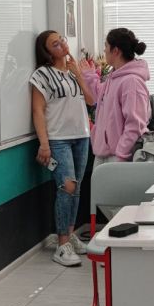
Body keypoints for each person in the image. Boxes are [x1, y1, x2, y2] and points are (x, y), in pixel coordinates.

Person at [30, 30, 95, 267]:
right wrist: (44, 144)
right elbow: (37, 110)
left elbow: (91, 101)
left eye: (62, 40)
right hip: (58, 139)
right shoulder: (42, 75)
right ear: (47, 52)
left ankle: (70, 234)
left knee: (76, 188)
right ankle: (62, 244)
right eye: (55, 44)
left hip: (81, 136)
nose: (62, 45)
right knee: (66, 186)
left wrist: (78, 74)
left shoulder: (72, 71)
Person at [82, 28, 151, 167]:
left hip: (118, 158)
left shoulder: (132, 82)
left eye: (106, 46)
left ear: (116, 51)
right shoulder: (114, 77)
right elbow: (98, 96)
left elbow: (135, 125)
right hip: (104, 155)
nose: (104, 50)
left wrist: (121, 157)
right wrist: (89, 75)